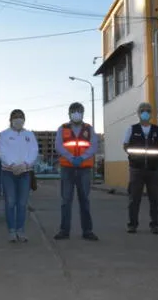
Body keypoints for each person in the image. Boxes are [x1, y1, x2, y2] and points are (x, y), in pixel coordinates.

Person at [54, 102, 99, 241]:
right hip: (67, 168)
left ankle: (87, 231)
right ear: (69, 113)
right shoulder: (63, 128)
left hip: (84, 168)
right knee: (66, 200)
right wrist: (71, 157)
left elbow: (94, 146)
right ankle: (64, 231)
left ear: (83, 113)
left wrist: (82, 158)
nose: (76, 113)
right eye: (74, 111)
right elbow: (58, 146)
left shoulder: (89, 129)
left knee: (84, 199)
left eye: (79, 111)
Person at [123, 102, 158, 235]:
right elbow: (125, 145)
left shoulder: (157, 130)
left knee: (155, 199)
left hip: (154, 169)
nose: (145, 113)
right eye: (142, 111)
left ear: (151, 113)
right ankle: (132, 225)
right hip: (136, 169)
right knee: (134, 199)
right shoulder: (132, 129)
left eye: (147, 110)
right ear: (138, 113)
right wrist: (135, 156)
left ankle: (155, 225)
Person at [0, 109, 38, 242]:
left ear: (24, 119)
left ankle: (20, 230)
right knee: (10, 202)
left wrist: (26, 165)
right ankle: (12, 231)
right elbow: (2, 152)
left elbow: (34, 151)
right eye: (15, 117)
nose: (18, 119)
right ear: (10, 119)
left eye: (21, 117)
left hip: (25, 173)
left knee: (22, 203)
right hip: (8, 172)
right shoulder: (4, 135)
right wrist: (12, 165)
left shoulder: (29, 135)